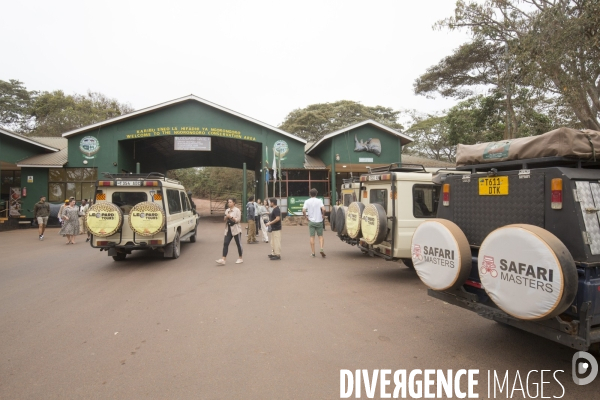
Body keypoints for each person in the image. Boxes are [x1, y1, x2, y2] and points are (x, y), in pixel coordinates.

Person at [216, 197, 243, 265]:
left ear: (234, 203)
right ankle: (223, 259)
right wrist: (226, 217)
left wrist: (231, 217)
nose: (229, 203)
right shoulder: (227, 210)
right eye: (228, 202)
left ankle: (240, 258)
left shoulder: (237, 210)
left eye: (230, 202)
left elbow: (238, 220)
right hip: (228, 229)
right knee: (226, 243)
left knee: (238, 244)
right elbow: (224, 219)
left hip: (236, 229)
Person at [302, 188, 326, 257]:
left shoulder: (307, 201)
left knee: (312, 237)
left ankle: (313, 253)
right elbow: (324, 209)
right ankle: (321, 248)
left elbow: (303, 210)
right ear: (316, 194)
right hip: (319, 221)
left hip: (311, 221)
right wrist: (323, 215)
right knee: (320, 236)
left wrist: (306, 217)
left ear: (310, 194)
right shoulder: (319, 201)